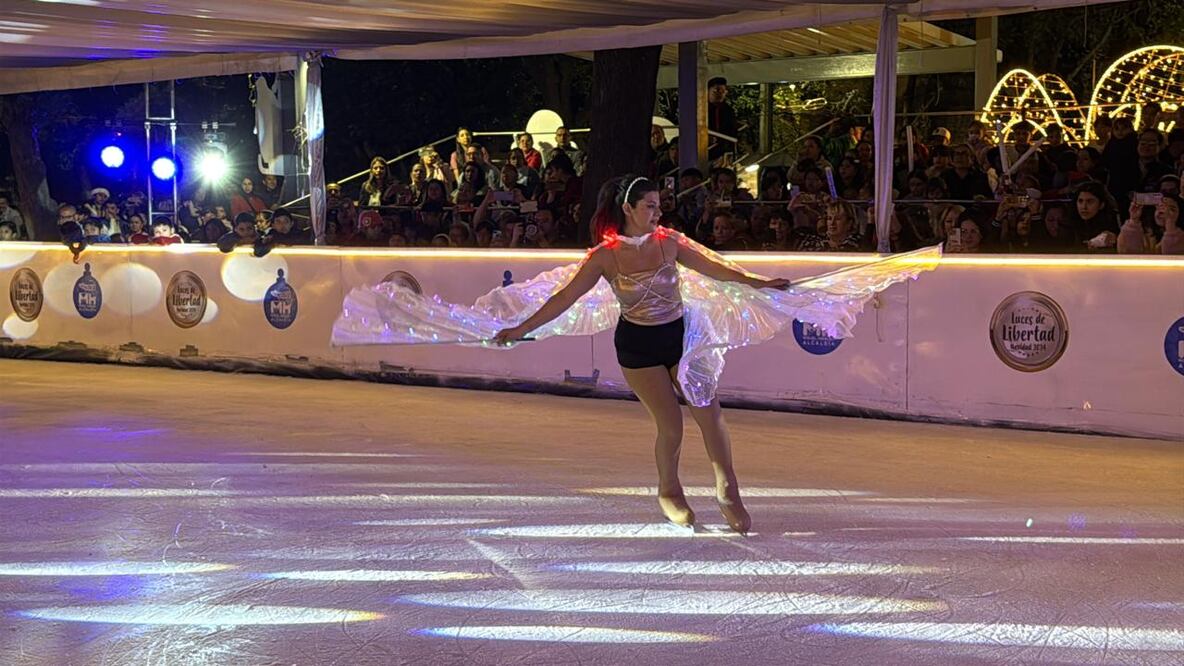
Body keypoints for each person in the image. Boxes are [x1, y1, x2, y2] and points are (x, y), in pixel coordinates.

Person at [333, 175, 942, 535]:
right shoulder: (605, 257)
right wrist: (519, 329)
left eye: (660, 206)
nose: (659, 211)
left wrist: (764, 286)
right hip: (637, 346)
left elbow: (722, 271)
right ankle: (669, 488)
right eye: (650, 205)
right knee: (671, 423)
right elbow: (564, 298)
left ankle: (728, 486)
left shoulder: (671, 244)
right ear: (629, 208)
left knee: (708, 409)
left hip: (682, 334)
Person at [706, 77, 737, 161]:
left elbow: (732, 130)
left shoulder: (728, 110)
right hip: (706, 148)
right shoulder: (701, 109)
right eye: (717, 90)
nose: (720, 94)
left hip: (723, 148)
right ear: (708, 91)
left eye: (723, 91)